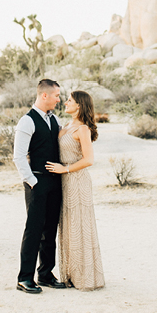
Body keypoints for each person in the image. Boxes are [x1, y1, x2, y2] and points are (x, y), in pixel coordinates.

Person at [45, 90, 105, 291]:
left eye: (69, 100)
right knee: (69, 226)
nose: (65, 103)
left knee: (80, 226)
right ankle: (71, 275)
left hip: (77, 181)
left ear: (79, 105)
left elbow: (89, 160)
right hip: (64, 182)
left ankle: (85, 278)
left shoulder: (83, 129)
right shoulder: (67, 125)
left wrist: (66, 169)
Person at [13, 79, 67, 294]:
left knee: (50, 230)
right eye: (56, 95)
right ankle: (24, 278)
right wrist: (33, 182)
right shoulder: (27, 121)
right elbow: (18, 156)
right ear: (44, 95)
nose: (59, 99)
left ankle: (45, 274)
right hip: (36, 182)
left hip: (55, 182)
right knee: (34, 230)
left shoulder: (55, 119)